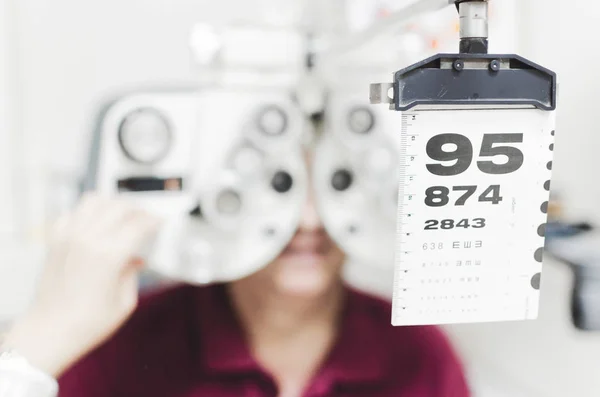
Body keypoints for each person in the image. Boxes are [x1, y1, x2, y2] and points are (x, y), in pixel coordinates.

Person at [1, 155, 470, 397]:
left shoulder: (417, 350)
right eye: (279, 187)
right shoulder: (127, 344)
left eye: (333, 185)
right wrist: (49, 333)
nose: (307, 220)